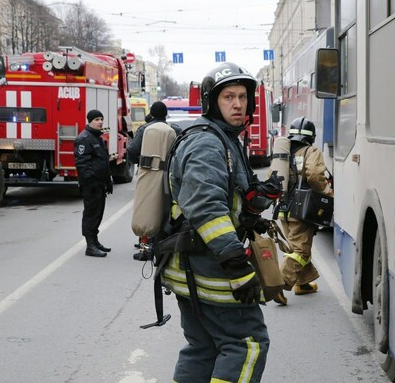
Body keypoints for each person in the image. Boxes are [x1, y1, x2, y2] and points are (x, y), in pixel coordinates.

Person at [161, 63, 271, 382]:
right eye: (228, 97)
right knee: (247, 344)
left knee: (204, 348)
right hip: (211, 268)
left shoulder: (225, 137)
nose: (238, 104)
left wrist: (250, 218)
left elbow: (226, 197)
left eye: (242, 96)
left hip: (192, 266)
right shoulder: (208, 142)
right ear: (211, 102)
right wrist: (237, 265)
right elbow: (206, 209)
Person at [272, 117, 332, 305]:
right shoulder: (311, 151)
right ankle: (279, 285)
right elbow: (314, 175)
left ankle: (303, 283)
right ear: (311, 136)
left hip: (283, 208)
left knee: (295, 246)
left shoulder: (283, 153)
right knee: (300, 250)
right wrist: (327, 191)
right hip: (302, 209)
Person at [74, 109, 114, 258]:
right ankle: (90, 245)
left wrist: (108, 180)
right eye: (97, 119)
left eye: (101, 119)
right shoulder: (83, 139)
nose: (100, 122)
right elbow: (82, 164)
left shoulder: (97, 137)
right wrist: (90, 183)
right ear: (89, 121)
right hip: (91, 185)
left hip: (99, 183)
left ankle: (95, 241)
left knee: (98, 213)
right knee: (91, 214)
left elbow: (103, 161)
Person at [127, 101, 181, 165]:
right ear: (165, 114)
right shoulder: (175, 130)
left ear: (151, 114)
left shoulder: (143, 129)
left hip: (147, 172)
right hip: (168, 172)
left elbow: (132, 151)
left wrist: (140, 161)